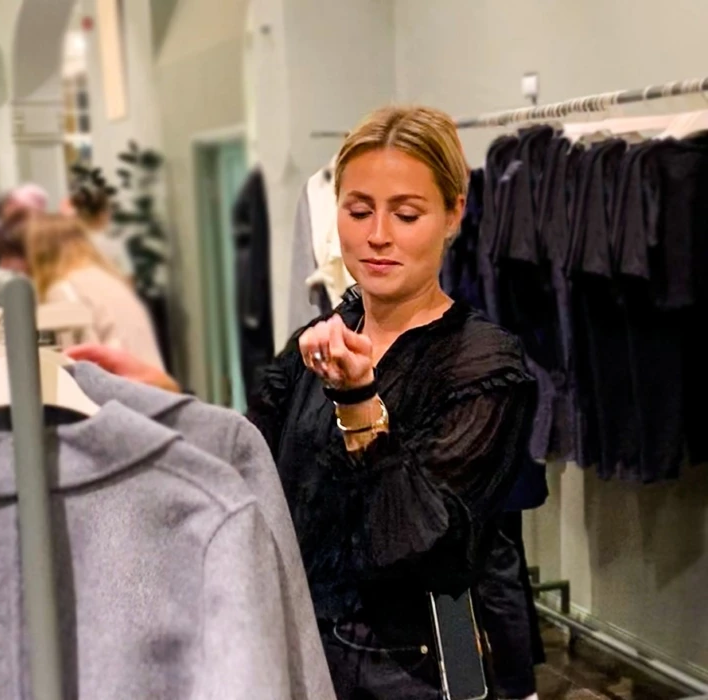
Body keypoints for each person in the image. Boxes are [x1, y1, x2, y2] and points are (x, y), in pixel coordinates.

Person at [67, 105, 537, 700]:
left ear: (452, 214)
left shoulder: (484, 365)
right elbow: (247, 455)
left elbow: (423, 548)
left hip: (409, 673)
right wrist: (155, 394)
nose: (377, 236)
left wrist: (359, 401)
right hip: (298, 650)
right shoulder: (317, 342)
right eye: (358, 210)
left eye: (407, 213)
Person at [29, 213, 164, 370]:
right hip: (153, 384)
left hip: (124, 387)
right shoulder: (106, 277)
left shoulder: (65, 289)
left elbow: (81, 361)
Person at [70, 180, 134, 279]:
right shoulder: (113, 246)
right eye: (109, 210)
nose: (110, 214)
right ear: (102, 214)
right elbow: (128, 285)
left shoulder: (69, 245)